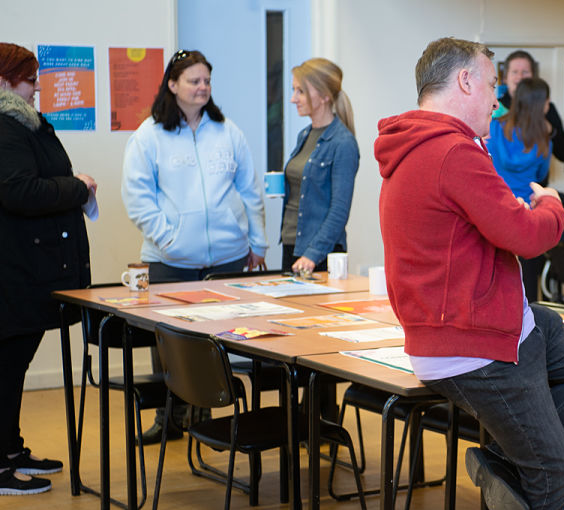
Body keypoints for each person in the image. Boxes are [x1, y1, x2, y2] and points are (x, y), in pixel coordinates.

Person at [375, 37, 564, 510]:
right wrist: (552, 207)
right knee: (555, 475)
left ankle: (504, 460)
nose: (497, 100)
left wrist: (513, 214)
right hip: (477, 344)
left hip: (503, 322)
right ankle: (517, 462)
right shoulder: (452, 151)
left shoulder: (416, 148)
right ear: (465, 80)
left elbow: (475, 228)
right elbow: (528, 237)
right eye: (492, 85)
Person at [122, 49, 267, 444]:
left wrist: (257, 242)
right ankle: (168, 420)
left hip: (227, 257)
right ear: (173, 85)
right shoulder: (149, 136)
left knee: (220, 339)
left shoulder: (227, 131)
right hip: (170, 261)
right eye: (194, 81)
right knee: (169, 344)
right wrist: (169, 238)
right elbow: (137, 197)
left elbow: (250, 190)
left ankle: (206, 417)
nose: (202, 88)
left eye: (207, 81)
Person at [0, 42, 96, 495]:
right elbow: (19, 192)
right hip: (14, 272)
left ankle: (10, 448)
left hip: (29, 269)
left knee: (13, 366)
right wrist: (75, 187)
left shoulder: (23, 124)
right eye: (29, 78)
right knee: (6, 365)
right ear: (4, 81)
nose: (36, 86)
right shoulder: (5, 128)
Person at [280, 58, 359, 274]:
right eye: (294, 90)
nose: (293, 98)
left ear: (324, 96)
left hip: (320, 253)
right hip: (293, 243)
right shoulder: (304, 135)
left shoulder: (342, 143)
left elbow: (339, 210)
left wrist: (312, 255)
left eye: (301, 91)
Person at [488, 76, 553, 302]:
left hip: (499, 211)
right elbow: (542, 175)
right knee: (528, 282)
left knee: (498, 276)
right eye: (546, 101)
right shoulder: (543, 138)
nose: (548, 106)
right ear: (538, 105)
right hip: (529, 214)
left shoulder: (494, 127)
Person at [497, 50, 564, 163]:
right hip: (500, 179)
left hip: (537, 179)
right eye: (514, 72)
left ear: (534, 77)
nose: (520, 77)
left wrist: (550, 131)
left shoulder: (546, 108)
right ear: (505, 78)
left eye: (525, 72)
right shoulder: (494, 107)